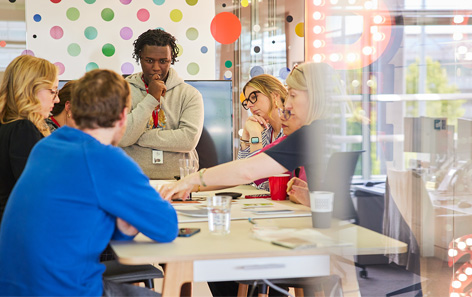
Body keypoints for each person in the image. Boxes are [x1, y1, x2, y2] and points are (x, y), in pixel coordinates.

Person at [0, 69, 178, 296]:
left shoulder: (46, 147)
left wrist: (122, 229)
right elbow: (166, 227)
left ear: (74, 108)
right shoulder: (106, 159)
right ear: (124, 116)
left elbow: (82, 222)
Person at [119, 29, 204, 179]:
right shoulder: (122, 91)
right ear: (140, 58)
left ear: (172, 59)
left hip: (181, 183)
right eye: (149, 60)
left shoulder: (190, 94)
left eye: (163, 61)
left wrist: (139, 136)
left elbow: (188, 140)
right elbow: (124, 137)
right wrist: (151, 98)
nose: (156, 68)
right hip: (131, 181)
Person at [0, 54, 59, 223]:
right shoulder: (23, 129)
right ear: (30, 89)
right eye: (52, 91)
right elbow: (36, 191)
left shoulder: (8, 125)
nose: (57, 99)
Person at [238, 74, 285, 159]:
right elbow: (242, 167)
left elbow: (256, 170)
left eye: (253, 97)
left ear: (274, 96)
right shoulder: (265, 131)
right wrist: (245, 135)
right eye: (247, 101)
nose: (248, 105)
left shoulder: (293, 130)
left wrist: (255, 134)